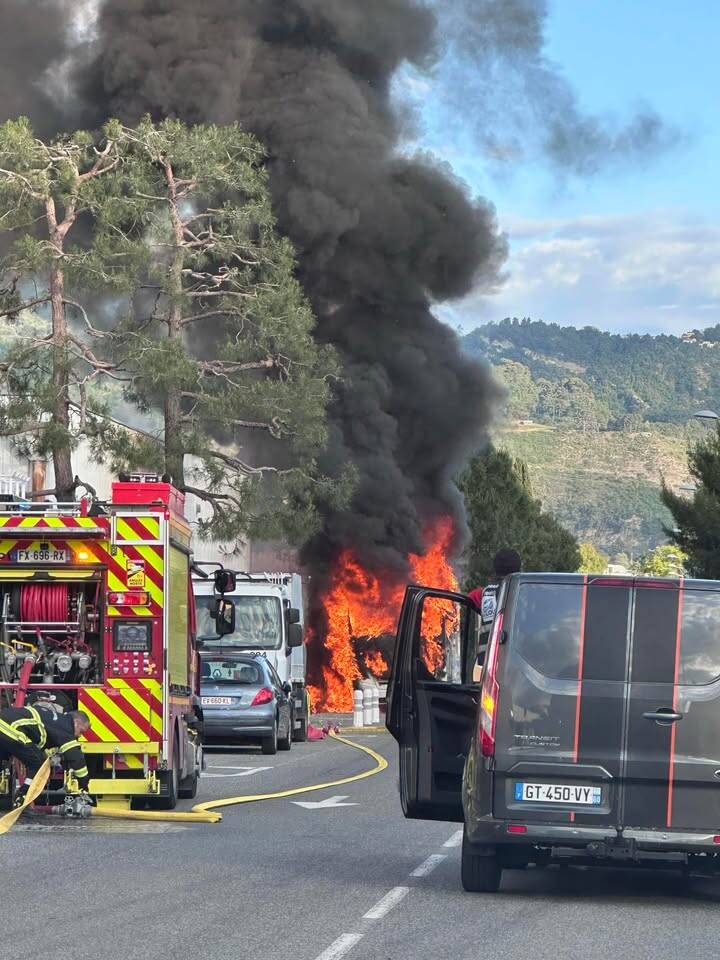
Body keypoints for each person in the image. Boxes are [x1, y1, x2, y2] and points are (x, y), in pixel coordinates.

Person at [0, 704, 91, 808]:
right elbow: (76, 758)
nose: (79, 736)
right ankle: (21, 798)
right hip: (10, 728)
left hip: (4, 725)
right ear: (76, 722)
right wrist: (84, 785)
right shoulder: (66, 727)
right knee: (39, 764)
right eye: (81, 731)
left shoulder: (55, 719)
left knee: (3, 759)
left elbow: (37, 744)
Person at [469, 549, 522, 681]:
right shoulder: (524, 595)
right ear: (518, 570)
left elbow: (465, 602)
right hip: (514, 667)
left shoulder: (481, 594)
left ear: (495, 569)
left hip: (486, 666)